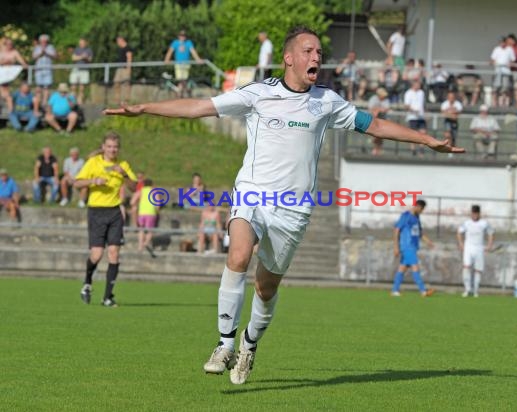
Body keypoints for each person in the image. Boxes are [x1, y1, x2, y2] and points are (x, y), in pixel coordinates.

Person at [104, 25, 463, 385]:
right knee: (238, 256)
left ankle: (248, 345)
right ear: (288, 58)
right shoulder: (258, 94)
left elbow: (375, 125)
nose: (316, 57)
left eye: (319, 52)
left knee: (266, 287)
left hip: (294, 208)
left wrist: (426, 139)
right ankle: (224, 343)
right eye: (308, 51)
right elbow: (200, 106)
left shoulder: (327, 101)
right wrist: (146, 108)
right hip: (252, 194)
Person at [74, 132, 137, 307]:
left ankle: (108, 297)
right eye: (109, 146)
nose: (112, 150)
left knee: (114, 253)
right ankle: (87, 282)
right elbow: (77, 183)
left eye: (115, 147)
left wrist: (123, 174)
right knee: (96, 254)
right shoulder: (94, 162)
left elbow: (134, 187)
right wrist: (93, 180)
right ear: (103, 147)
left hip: (115, 212)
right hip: (96, 212)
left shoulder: (122, 165)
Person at [390, 199, 435, 297]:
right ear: (418, 207)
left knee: (402, 268)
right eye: (422, 209)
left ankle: (394, 290)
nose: (422, 212)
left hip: (413, 246)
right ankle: (423, 291)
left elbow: (419, 232)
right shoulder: (406, 216)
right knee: (415, 267)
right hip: (407, 246)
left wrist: (428, 241)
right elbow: (396, 230)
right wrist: (396, 246)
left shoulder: (417, 217)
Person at [457, 205, 494, 298]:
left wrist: (489, 245)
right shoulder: (467, 223)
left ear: (479, 214)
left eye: (476, 214)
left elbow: (491, 233)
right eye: (472, 213)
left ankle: (476, 291)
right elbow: (459, 232)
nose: (474, 215)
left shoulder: (484, 223)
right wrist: (461, 244)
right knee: (466, 267)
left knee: (478, 270)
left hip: (479, 248)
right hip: (468, 247)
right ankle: (467, 289)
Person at [164, 30, 203, 97]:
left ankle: (181, 94)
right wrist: (166, 59)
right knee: (181, 80)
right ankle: (182, 93)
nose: (182, 37)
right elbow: (170, 51)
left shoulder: (188, 43)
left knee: (184, 80)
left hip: (186, 64)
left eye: (184, 35)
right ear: (179, 36)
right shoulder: (175, 43)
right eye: (181, 35)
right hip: (178, 64)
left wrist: (198, 59)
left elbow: (193, 51)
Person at [130, 178, 159, 256]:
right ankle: (146, 243)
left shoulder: (140, 191)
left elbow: (132, 201)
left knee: (141, 230)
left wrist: (136, 205)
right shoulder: (154, 192)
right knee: (150, 230)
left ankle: (140, 247)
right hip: (151, 212)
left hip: (142, 213)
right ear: (152, 184)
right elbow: (157, 203)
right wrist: (157, 211)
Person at [0, 38, 28, 111]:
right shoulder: (1, 52)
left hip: (10, 75)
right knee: (3, 89)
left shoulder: (15, 52)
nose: (10, 46)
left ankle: (10, 108)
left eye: (11, 44)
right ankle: (9, 105)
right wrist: (4, 62)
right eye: (8, 44)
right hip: (2, 74)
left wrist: (24, 65)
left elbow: (22, 62)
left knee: (6, 89)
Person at [33, 34, 58, 106]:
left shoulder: (51, 47)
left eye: (45, 41)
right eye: (42, 41)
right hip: (39, 69)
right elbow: (34, 57)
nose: (44, 43)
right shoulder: (37, 48)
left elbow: (55, 56)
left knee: (46, 86)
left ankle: (44, 102)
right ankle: (38, 101)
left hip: (47, 69)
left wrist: (47, 53)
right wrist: (41, 53)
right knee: (38, 86)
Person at [490, 37, 515, 107]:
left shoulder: (509, 49)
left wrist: (510, 64)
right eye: (501, 42)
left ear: (505, 42)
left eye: (503, 42)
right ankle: (494, 103)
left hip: (506, 71)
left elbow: (513, 60)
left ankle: (503, 104)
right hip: (497, 71)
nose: (502, 43)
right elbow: (492, 59)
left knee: (505, 88)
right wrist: (494, 63)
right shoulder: (496, 49)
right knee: (495, 87)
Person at [404, 80, 427, 156]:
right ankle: (413, 150)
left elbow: (423, 105)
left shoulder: (421, 92)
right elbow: (406, 106)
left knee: (423, 133)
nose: (419, 85)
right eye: (418, 83)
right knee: (413, 135)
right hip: (412, 117)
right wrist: (414, 111)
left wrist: (424, 114)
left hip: (421, 117)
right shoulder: (408, 93)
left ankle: (421, 150)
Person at [69, 38, 93, 105]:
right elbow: (73, 58)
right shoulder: (76, 49)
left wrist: (85, 58)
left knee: (82, 88)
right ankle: (73, 102)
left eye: (82, 43)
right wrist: (82, 57)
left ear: (85, 43)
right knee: (73, 86)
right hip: (76, 69)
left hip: (84, 70)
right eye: (80, 43)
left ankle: (80, 102)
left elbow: (90, 60)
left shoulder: (89, 50)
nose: (81, 44)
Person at [367, 87, 390, 155]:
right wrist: (378, 110)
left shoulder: (386, 100)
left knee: (381, 136)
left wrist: (377, 109)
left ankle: (378, 150)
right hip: (374, 120)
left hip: (382, 120)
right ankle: (375, 149)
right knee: (376, 135)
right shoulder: (373, 99)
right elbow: (371, 109)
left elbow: (386, 109)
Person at [114, 36, 133, 103]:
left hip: (125, 69)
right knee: (116, 83)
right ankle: (117, 100)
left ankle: (126, 100)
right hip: (119, 68)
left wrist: (129, 69)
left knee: (126, 84)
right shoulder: (120, 49)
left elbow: (129, 58)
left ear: (121, 40)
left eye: (118, 41)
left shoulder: (128, 48)